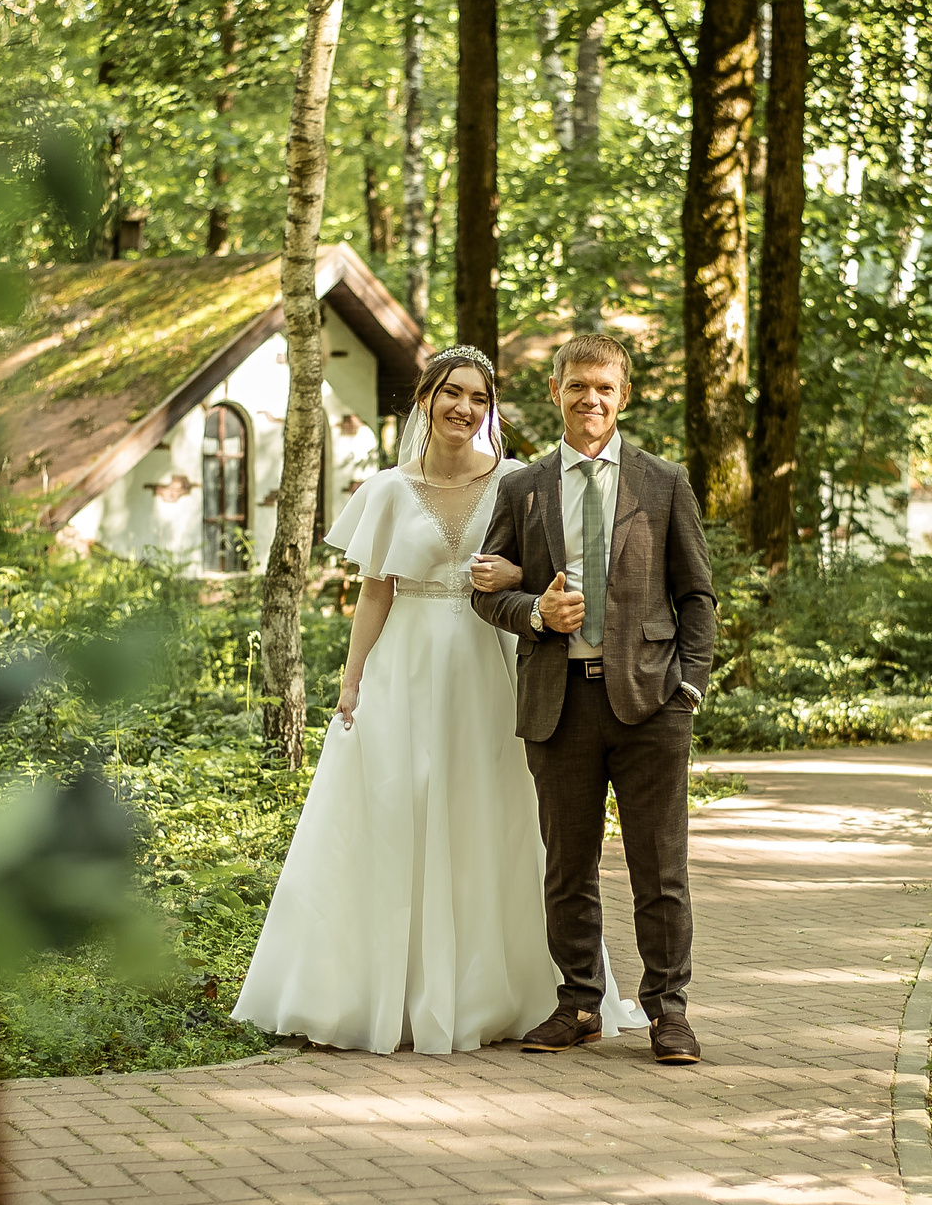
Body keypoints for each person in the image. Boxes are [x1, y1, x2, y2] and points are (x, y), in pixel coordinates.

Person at [231, 347, 561, 1053]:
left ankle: (489, 992)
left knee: (486, 810)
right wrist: (353, 679)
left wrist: (515, 574)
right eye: (452, 393)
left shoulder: (517, 482)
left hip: (488, 659)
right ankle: (384, 992)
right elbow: (375, 594)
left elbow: (547, 571)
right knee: (396, 806)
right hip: (404, 665)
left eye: (478, 397)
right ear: (425, 400)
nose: (465, 408)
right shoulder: (386, 489)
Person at [471, 334, 718, 1065]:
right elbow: (486, 591)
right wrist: (535, 613)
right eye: (578, 385)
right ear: (556, 392)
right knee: (567, 868)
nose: (591, 399)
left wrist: (689, 687)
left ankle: (668, 1011)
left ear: (624, 395)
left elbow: (697, 595)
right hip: (559, 705)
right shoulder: (523, 489)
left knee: (660, 870)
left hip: (651, 704)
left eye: (605, 387)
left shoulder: (663, 482)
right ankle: (579, 1002)